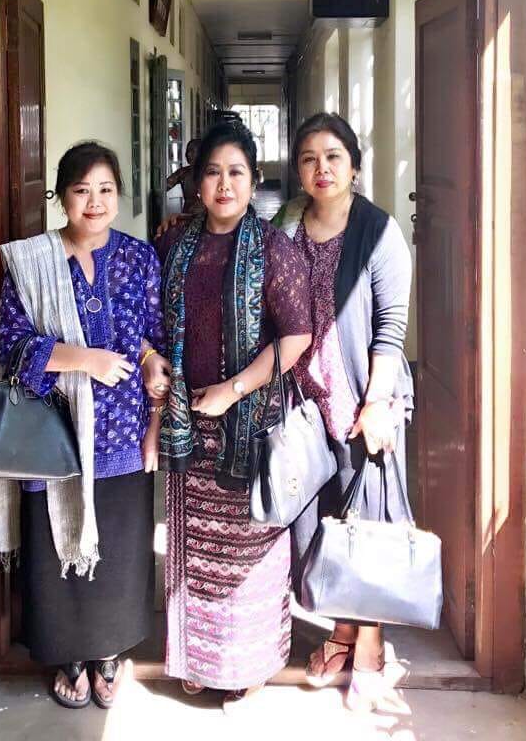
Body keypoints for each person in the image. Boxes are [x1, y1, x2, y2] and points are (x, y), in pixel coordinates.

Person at [0, 141, 171, 710]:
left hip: (122, 432)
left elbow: (153, 338)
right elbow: (12, 346)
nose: (94, 201)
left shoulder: (139, 257)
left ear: (118, 194)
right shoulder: (33, 262)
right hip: (54, 435)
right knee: (57, 547)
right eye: (81, 190)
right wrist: (83, 359)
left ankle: (107, 653)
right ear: (61, 197)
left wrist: (151, 377)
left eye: (105, 189)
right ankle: (69, 654)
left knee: (119, 548)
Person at [155, 120, 312, 712]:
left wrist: (234, 389)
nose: (224, 184)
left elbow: (296, 337)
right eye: (213, 173)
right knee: (194, 552)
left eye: (236, 173)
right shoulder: (173, 245)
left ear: (254, 180)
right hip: (187, 423)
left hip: (249, 427)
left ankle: (248, 663)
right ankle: (196, 658)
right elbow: (150, 320)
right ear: (197, 182)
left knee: (250, 553)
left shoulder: (274, 248)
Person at [273, 112, 414, 713]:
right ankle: (343, 631)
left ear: (354, 165)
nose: (322, 168)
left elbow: (390, 328)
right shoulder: (286, 227)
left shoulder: (378, 231)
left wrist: (378, 401)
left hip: (362, 398)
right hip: (305, 401)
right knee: (320, 525)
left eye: (333, 156)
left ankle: (369, 651)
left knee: (368, 525)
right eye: (309, 158)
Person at [166, 137, 202, 214]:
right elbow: (165, 186)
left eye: (192, 151)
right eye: (187, 151)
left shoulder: (211, 172)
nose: (188, 154)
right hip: (188, 214)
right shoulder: (183, 172)